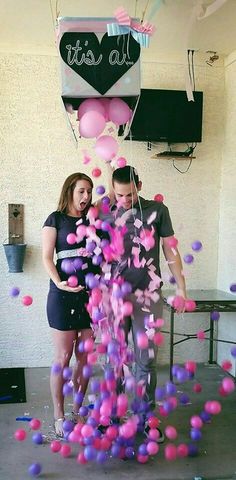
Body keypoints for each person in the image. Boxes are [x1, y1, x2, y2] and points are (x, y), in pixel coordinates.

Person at [102, 165, 187, 439]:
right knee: (114, 358)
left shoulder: (158, 211)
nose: (124, 200)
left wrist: (181, 289)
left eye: (128, 194)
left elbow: (170, 249)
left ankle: (145, 418)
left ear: (139, 185)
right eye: (119, 195)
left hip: (148, 297)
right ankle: (111, 416)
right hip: (115, 296)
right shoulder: (106, 211)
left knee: (146, 361)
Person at [42, 172, 97, 437]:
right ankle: (58, 415)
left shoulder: (94, 218)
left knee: (84, 360)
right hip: (62, 296)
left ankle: (77, 411)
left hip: (90, 297)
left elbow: (112, 195)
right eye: (81, 191)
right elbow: (46, 257)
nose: (86, 197)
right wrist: (59, 282)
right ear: (70, 192)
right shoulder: (56, 219)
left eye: (89, 191)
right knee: (63, 358)